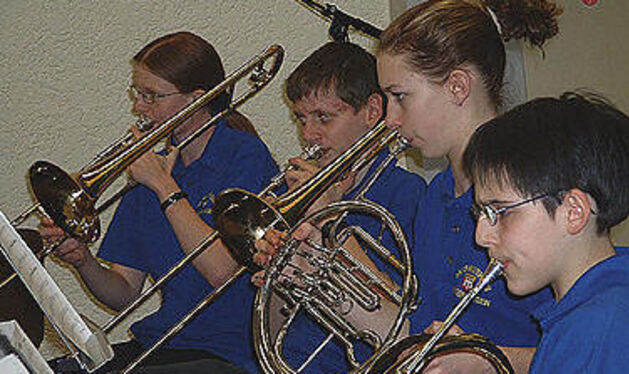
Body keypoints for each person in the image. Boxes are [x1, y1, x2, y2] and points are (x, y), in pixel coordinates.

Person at [41, 31, 278, 373]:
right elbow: (123, 292)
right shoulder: (149, 171)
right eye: (138, 93)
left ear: (197, 99)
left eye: (152, 96)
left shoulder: (244, 155)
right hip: (164, 343)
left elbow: (222, 271)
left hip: (229, 353)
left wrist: (164, 187)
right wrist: (83, 261)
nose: (139, 107)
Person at [376, 0, 561, 372]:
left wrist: (488, 360)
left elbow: (592, 355)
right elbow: (419, 333)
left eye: (399, 97)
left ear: (458, 86)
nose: (390, 119)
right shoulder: (435, 196)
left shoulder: (532, 198)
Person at [463, 91, 629, 372]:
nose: (481, 235)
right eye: (481, 213)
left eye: (500, 211)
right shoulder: (585, 316)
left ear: (573, 211)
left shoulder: (607, 331)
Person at [252, 41, 426, 373]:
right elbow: (272, 332)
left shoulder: (408, 195)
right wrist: (279, 276)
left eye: (324, 118)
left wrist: (331, 218)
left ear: (373, 111)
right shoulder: (300, 196)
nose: (309, 134)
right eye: (301, 119)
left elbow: (402, 315)